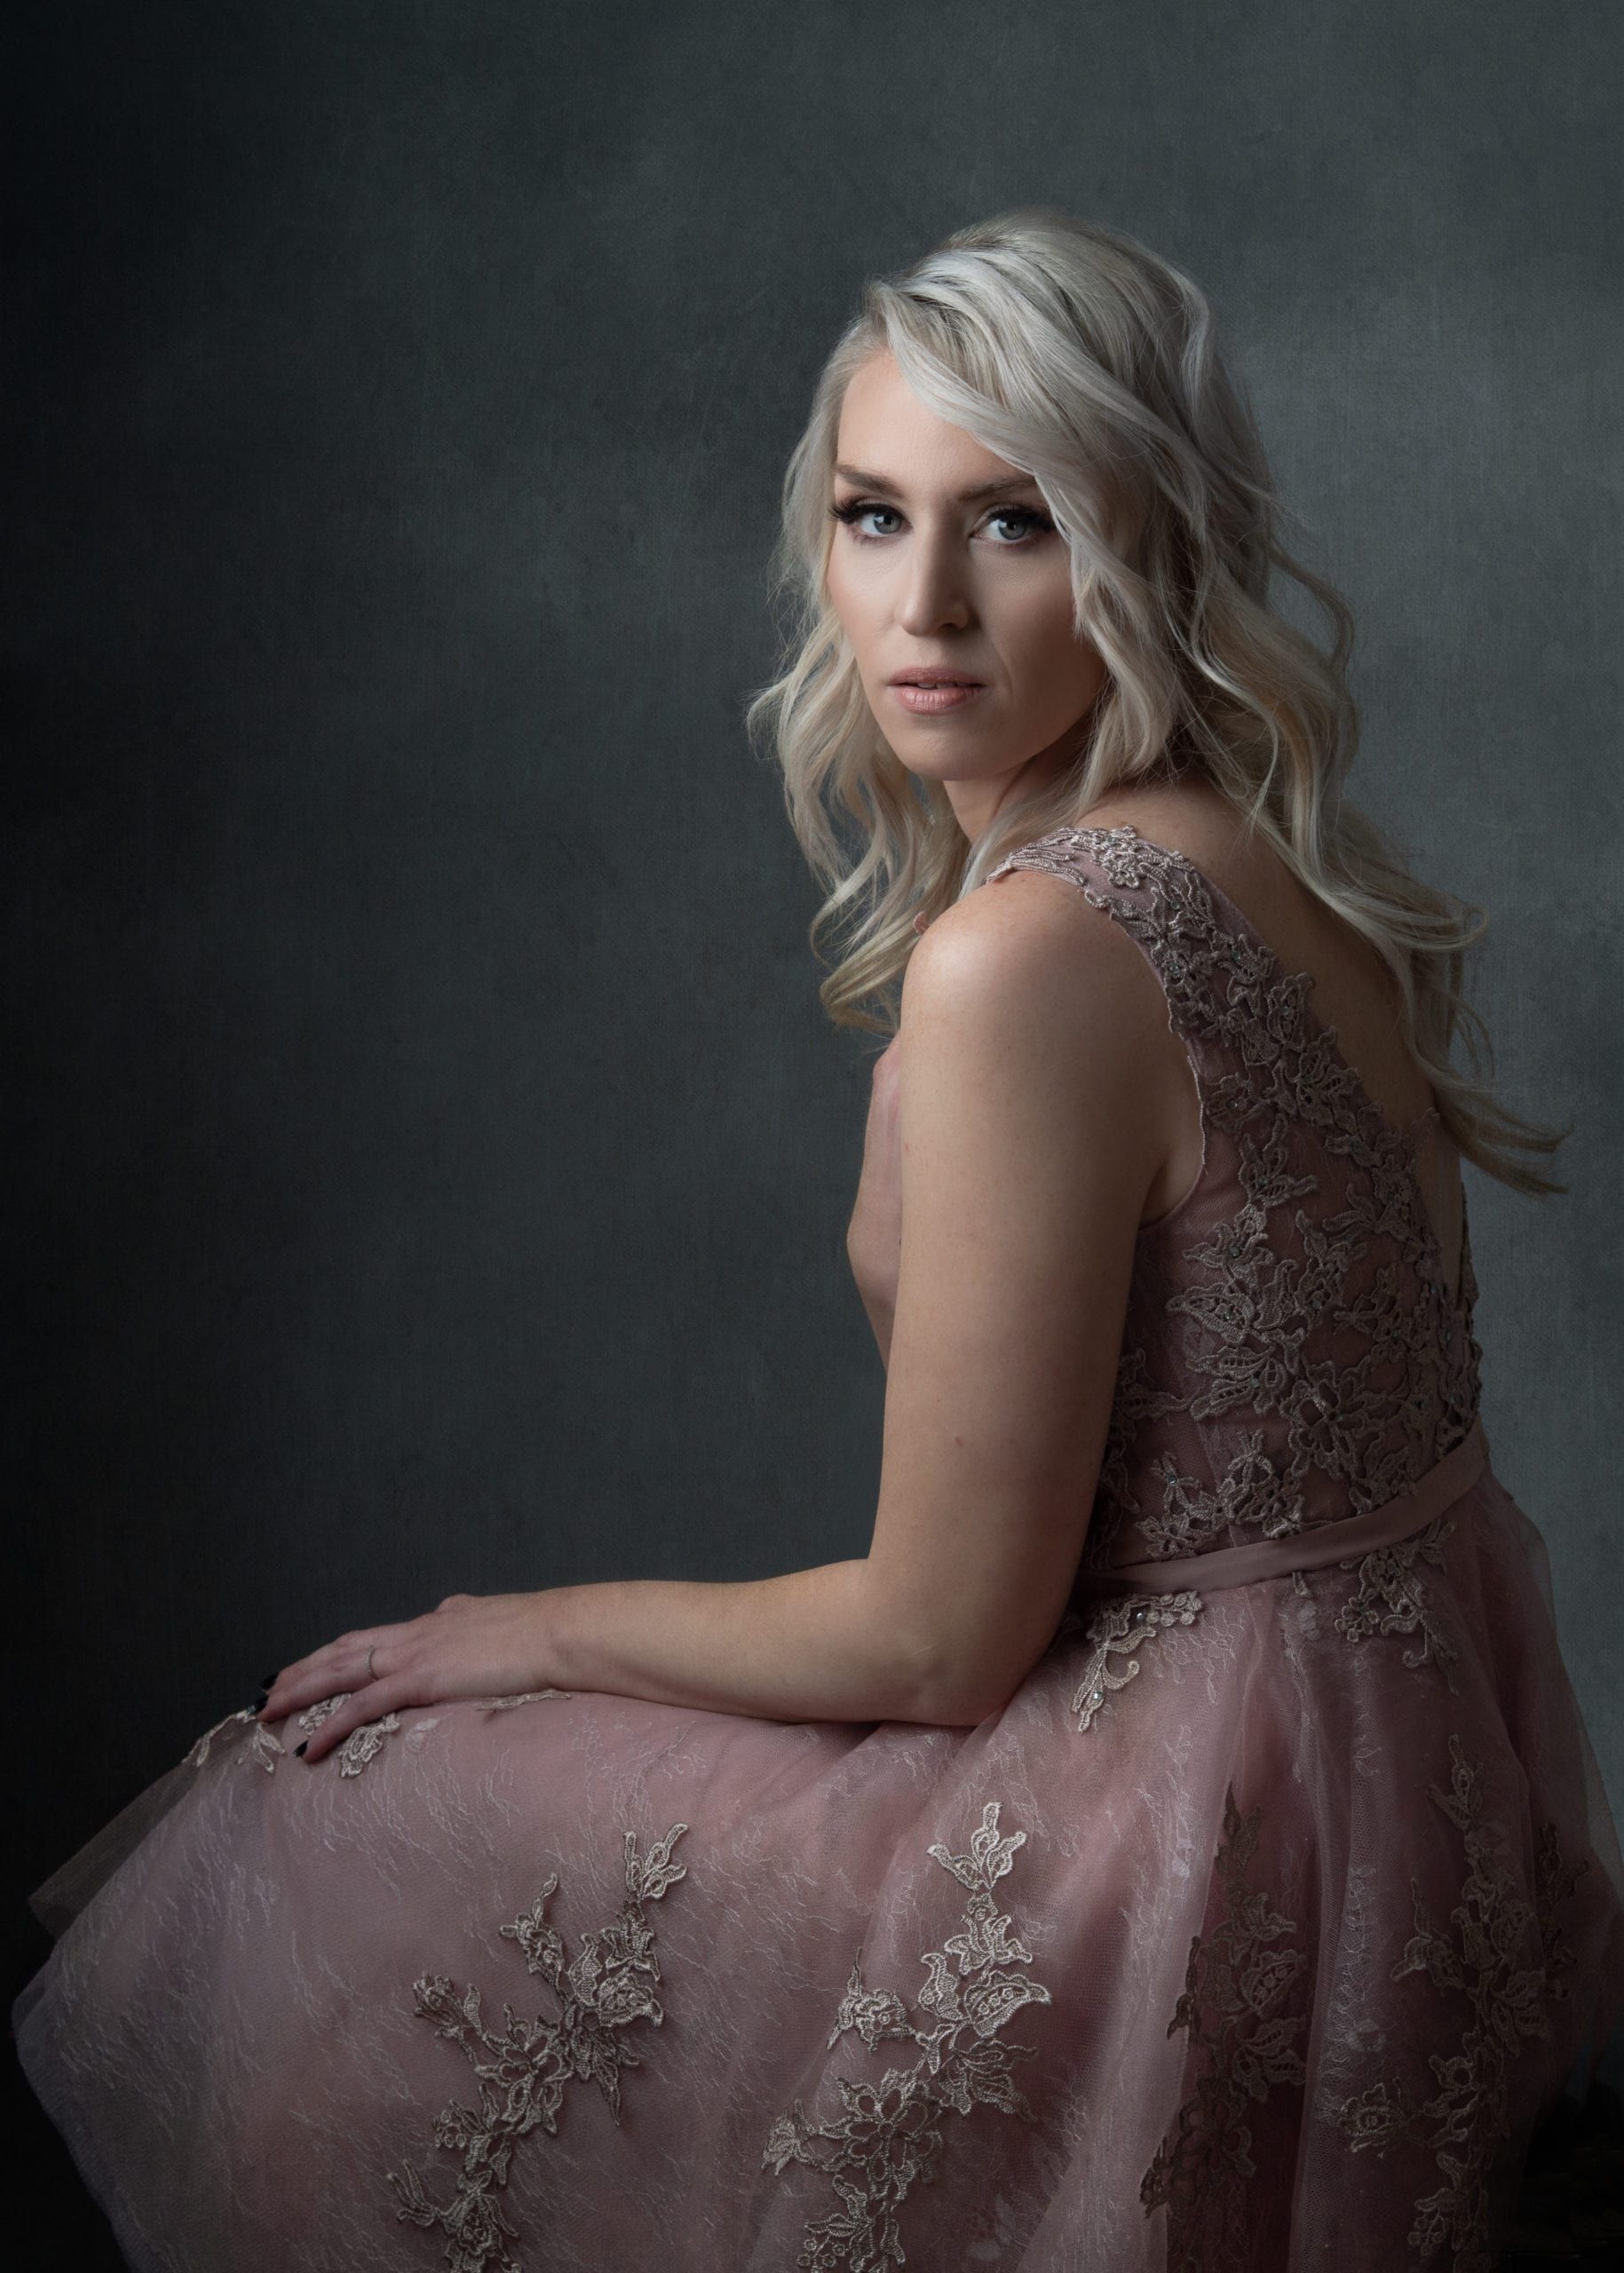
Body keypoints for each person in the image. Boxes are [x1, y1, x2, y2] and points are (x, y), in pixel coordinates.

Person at [14, 207, 1624, 2273]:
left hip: (1190, 1873)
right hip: (1396, 1812)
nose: (924, 604)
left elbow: (946, 1641)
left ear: (1153, 546)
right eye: (875, 517)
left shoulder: (1034, 960)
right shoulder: (1277, 864)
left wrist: (534, 1622)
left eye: (1017, 521)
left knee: (332, 1807)